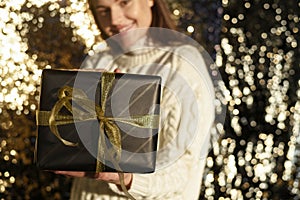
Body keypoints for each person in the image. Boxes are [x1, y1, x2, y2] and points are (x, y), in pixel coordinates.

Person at [55, 0, 216, 199]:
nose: (114, 19)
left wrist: (124, 176)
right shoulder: (99, 60)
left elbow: (181, 172)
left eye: (124, 2)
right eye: (103, 10)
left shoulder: (182, 64)